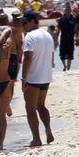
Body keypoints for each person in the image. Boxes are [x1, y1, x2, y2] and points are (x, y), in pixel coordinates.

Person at [20, 11, 55, 146]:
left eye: (25, 23)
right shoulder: (48, 35)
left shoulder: (30, 36)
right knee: (41, 106)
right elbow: (51, 57)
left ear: (33, 21)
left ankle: (36, 138)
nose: (23, 26)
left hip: (33, 77)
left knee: (30, 109)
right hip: (46, 76)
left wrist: (23, 78)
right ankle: (48, 129)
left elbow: (28, 57)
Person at [56, 1, 79, 71]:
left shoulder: (74, 19)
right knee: (62, 54)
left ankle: (68, 67)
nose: (68, 11)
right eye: (67, 10)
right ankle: (64, 66)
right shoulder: (61, 19)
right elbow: (58, 29)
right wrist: (56, 39)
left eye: (69, 10)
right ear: (65, 11)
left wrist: (76, 38)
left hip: (71, 39)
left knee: (70, 53)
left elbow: (76, 30)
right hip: (63, 38)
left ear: (71, 10)